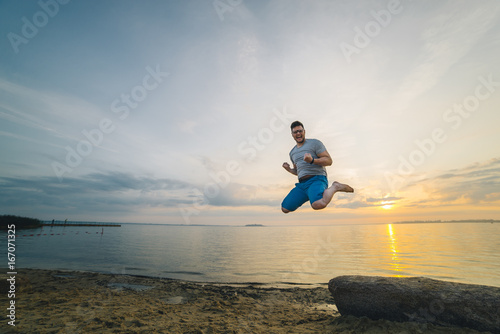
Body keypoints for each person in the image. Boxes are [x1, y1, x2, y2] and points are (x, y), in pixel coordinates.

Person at [281, 121, 353, 213]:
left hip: (317, 179)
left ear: (304, 131)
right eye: (295, 132)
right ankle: (312, 194)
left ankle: (335, 187)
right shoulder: (292, 153)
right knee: (285, 208)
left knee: (318, 204)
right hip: (302, 184)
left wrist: (312, 160)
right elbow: (298, 171)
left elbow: (329, 161)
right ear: (292, 134)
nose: (298, 133)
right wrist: (289, 170)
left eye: (300, 131)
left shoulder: (315, 143)